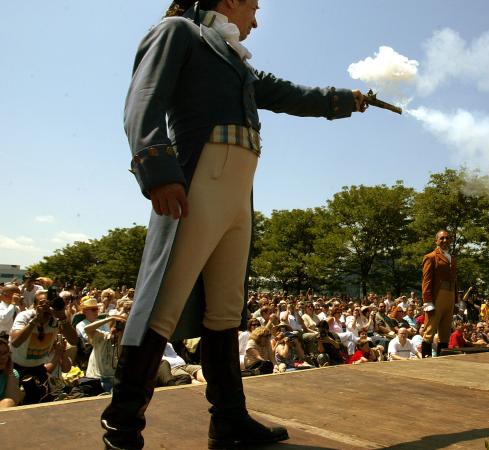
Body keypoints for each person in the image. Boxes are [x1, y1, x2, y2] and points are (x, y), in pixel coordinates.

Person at [101, 1, 369, 448]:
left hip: (238, 194)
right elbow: (142, 99)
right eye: (253, 7)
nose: (256, 20)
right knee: (162, 306)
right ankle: (122, 428)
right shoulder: (178, 32)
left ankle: (229, 421)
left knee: (225, 311)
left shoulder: (235, 61)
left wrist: (345, 100)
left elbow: (291, 94)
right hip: (197, 182)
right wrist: (157, 169)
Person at [10, 291, 78, 405]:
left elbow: (74, 341)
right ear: (35, 306)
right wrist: (35, 320)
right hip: (16, 367)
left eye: (50, 304)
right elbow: (15, 342)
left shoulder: (57, 318)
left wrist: (62, 317)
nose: (47, 308)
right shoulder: (25, 316)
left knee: (42, 403)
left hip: (38, 368)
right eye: (43, 304)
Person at [420, 230, 457, 358]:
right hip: (437, 296)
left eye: (447, 238)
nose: (445, 240)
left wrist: (456, 301)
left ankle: (443, 359)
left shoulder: (452, 258)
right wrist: (427, 301)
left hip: (450, 295)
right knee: (430, 329)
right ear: (436, 241)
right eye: (441, 238)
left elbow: (455, 280)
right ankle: (426, 359)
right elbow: (426, 281)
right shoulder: (430, 257)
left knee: (445, 331)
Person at [0, 336, 23, 408]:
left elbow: (14, 399)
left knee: (8, 402)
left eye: (5, 353)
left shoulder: (13, 373)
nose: (3, 357)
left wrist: (10, 373)